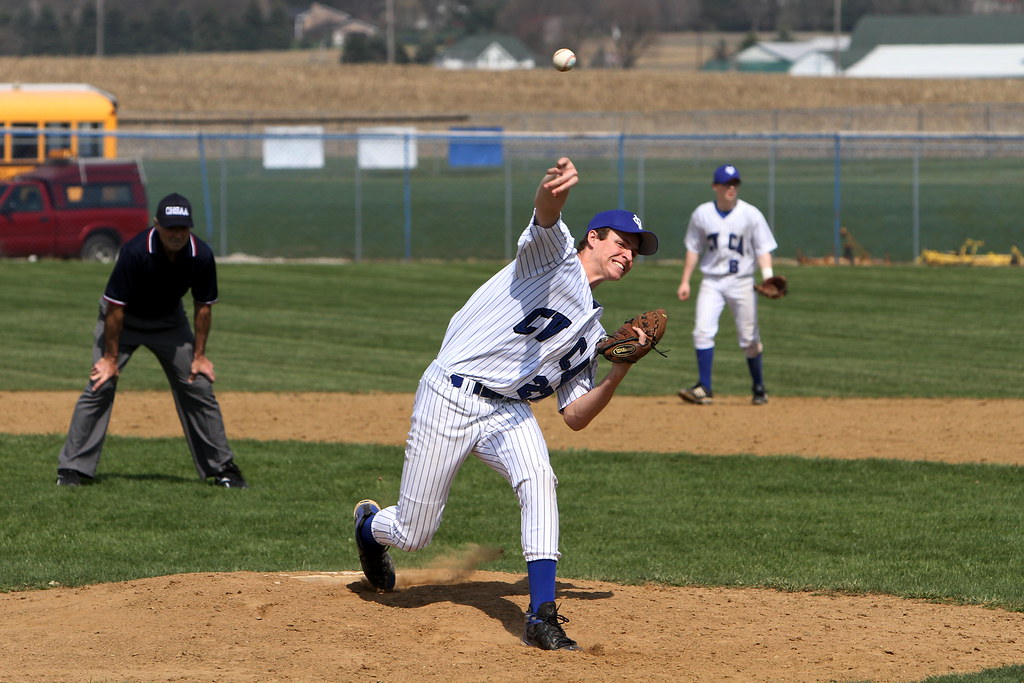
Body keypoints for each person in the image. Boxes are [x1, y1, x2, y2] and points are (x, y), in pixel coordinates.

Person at [353, 157, 659, 651]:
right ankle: (371, 529)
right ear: (594, 238)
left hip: (507, 410)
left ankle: (541, 614)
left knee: (538, 477)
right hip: (451, 393)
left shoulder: (594, 336)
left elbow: (575, 416)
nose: (629, 254)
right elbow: (546, 215)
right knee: (414, 533)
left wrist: (621, 369)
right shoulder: (553, 257)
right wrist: (553, 191)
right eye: (622, 242)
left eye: (636, 251)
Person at [56, 192, 247, 489]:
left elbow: (203, 307)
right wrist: (109, 359)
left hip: (169, 323)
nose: (177, 234)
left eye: (182, 228)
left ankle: (223, 467)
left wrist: (199, 355)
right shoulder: (135, 252)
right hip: (124, 321)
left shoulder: (201, 255)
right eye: (170, 227)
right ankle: (72, 469)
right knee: (100, 384)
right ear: (157, 225)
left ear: (190, 228)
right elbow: (115, 308)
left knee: (197, 384)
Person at [676, 163, 779, 406]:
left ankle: (758, 386)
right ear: (715, 186)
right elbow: (693, 248)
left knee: (749, 338)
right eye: (725, 183)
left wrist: (767, 277)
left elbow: (763, 249)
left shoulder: (751, 214)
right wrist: (685, 281)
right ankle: (705, 387)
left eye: (734, 183)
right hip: (711, 282)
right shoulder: (702, 213)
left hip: (742, 282)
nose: (731, 187)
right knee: (702, 331)